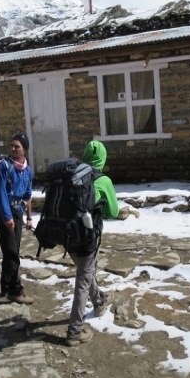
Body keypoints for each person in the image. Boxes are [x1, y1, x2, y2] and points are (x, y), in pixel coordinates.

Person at [66, 140, 119, 346]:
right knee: (84, 278)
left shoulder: (72, 175)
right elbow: (113, 211)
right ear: (102, 158)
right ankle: (75, 331)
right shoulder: (102, 180)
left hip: (67, 233)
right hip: (88, 237)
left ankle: (99, 301)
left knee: (86, 272)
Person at [0, 133, 34, 304]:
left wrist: (29, 218)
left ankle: (5, 287)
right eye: (11, 145)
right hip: (5, 211)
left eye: (17, 146)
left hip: (18, 212)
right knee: (12, 252)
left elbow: (28, 195)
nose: (13, 149)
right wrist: (7, 217)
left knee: (12, 250)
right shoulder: (4, 166)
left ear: (25, 150)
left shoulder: (27, 170)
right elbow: (0, 192)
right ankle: (15, 290)